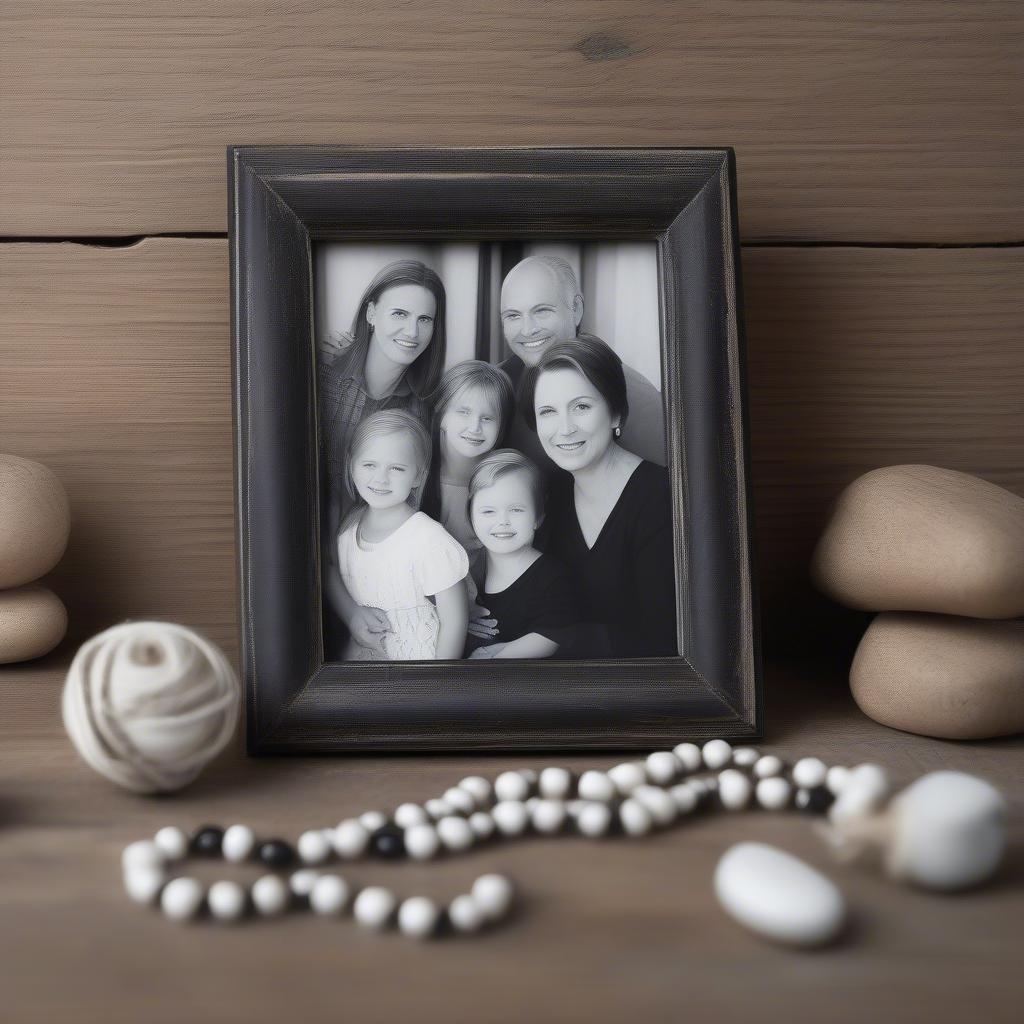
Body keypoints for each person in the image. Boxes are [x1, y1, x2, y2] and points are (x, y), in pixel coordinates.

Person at [318, 259, 447, 656]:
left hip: (362, 575)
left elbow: (398, 521)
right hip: (299, 563)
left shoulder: (418, 411)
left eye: (425, 319)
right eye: (400, 314)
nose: (412, 331)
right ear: (371, 312)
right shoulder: (320, 371)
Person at [521, 335, 677, 658]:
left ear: (616, 413)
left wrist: (549, 641)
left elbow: (665, 642)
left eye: (581, 407)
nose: (564, 429)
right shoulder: (553, 494)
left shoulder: (661, 497)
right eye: (548, 411)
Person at [498, 255, 666, 471]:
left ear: (576, 309)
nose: (528, 330)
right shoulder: (496, 386)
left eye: (542, 311)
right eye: (513, 316)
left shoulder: (628, 391)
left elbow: (670, 486)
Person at [335, 410, 469, 661]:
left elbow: (455, 622)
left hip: (417, 670)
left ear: (418, 475)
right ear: (351, 464)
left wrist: (436, 683)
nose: (380, 479)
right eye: (369, 465)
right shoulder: (347, 533)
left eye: (396, 468)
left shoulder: (427, 538)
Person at [465, 451, 579, 660]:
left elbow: (552, 635)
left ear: (538, 517)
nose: (503, 521)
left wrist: (499, 655)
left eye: (516, 510)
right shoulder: (467, 568)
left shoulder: (552, 576)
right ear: (471, 517)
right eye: (488, 511)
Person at [421, 360, 515, 590]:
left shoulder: (505, 482)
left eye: (487, 418)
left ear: (501, 425)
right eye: (463, 412)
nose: (475, 427)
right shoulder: (416, 475)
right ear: (441, 413)